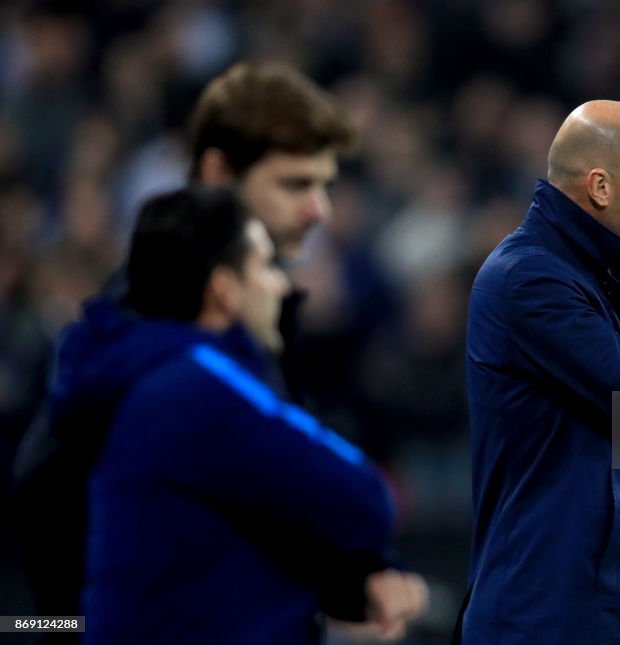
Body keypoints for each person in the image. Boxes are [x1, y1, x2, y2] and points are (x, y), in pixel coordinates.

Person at [10, 61, 398, 631]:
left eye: (325, 184)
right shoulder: (146, 327)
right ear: (218, 174)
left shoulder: (249, 323)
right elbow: (45, 486)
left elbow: (262, 502)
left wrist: (352, 582)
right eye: (296, 184)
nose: (321, 210)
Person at [76, 186, 424, 642]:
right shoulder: (201, 385)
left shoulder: (149, 375)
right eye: (264, 266)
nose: (281, 283)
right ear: (225, 290)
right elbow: (365, 496)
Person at [458, 101, 620, 643]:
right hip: (547, 615)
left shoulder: (599, 275)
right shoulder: (530, 280)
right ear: (601, 187)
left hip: (610, 609)